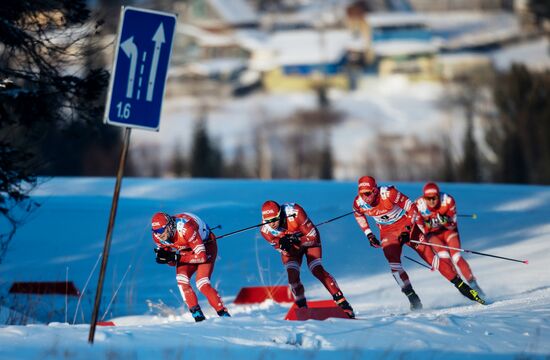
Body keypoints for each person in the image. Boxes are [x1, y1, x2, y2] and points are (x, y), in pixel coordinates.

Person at [352, 176, 486, 310]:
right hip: (388, 233)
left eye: (368, 193)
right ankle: (412, 298)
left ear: (375, 190)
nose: (365, 198)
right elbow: (358, 215)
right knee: (393, 264)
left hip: (407, 226)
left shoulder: (388, 193)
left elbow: (412, 208)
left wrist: (408, 229)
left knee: (432, 259)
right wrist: (369, 234)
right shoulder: (359, 203)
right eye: (362, 194)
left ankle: (464, 287)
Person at [259, 200, 355, 318]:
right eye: (268, 221)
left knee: (316, 269)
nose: (272, 223)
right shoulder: (265, 231)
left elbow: (313, 237)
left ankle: (343, 303)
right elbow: (285, 252)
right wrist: (282, 244)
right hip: (293, 250)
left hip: (309, 242)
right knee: (292, 277)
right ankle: (302, 307)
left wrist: (296, 240)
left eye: (274, 219)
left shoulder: (295, 212)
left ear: (280, 214)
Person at [151, 212, 230, 322]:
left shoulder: (186, 228)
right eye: (155, 231)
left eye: (160, 231)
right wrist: (167, 259)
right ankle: (198, 316)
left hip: (205, 246)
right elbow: (173, 262)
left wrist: (176, 257)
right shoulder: (157, 237)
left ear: (169, 226)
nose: (158, 234)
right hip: (186, 250)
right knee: (181, 280)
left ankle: (224, 315)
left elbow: (202, 257)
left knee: (202, 283)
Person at [415, 182, 485, 296]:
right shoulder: (418, 205)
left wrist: (446, 221)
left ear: (439, 195)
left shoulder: (447, 200)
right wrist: (426, 225)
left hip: (448, 232)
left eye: (434, 198)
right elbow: (420, 229)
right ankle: (464, 287)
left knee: (456, 256)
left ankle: (474, 285)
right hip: (433, 235)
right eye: (428, 198)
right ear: (424, 197)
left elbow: (452, 225)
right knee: (444, 258)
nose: (432, 201)